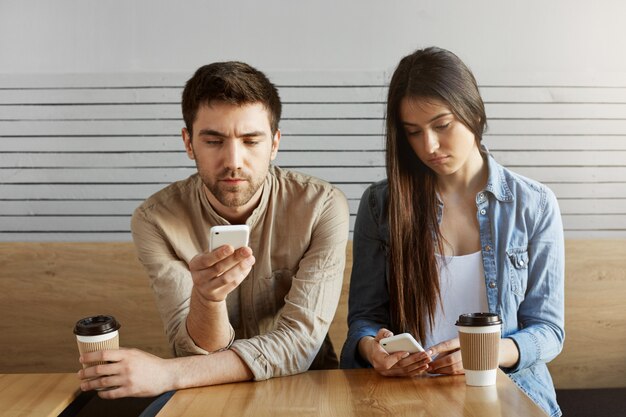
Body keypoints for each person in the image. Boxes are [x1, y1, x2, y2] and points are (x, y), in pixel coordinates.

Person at [78, 62, 350, 401]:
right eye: (213, 140)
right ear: (189, 143)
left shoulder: (322, 206)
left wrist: (166, 373)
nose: (233, 160)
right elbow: (196, 353)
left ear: (275, 143)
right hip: (205, 395)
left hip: (307, 391)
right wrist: (208, 298)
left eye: (251, 141)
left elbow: (300, 343)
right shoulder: (155, 220)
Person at [340, 47, 564, 417]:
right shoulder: (381, 204)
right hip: (407, 400)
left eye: (442, 125)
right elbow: (364, 319)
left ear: (473, 112)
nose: (429, 146)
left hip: (511, 396)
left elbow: (548, 330)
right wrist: (372, 349)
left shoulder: (534, 204)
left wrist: (485, 355)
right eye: (413, 132)